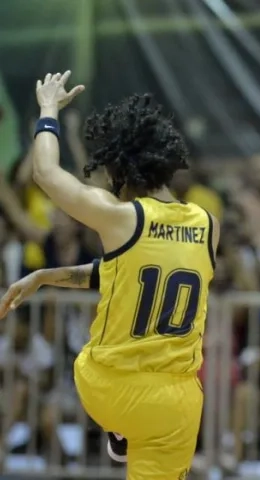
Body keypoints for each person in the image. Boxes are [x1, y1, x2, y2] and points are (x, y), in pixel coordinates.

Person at [0, 72, 218, 479]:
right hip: (178, 400)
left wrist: (48, 110)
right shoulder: (208, 224)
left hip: (110, 386)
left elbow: (45, 173)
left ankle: (119, 430)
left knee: (88, 360)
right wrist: (50, 275)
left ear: (119, 167)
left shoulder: (120, 216)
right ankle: (127, 434)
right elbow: (134, 271)